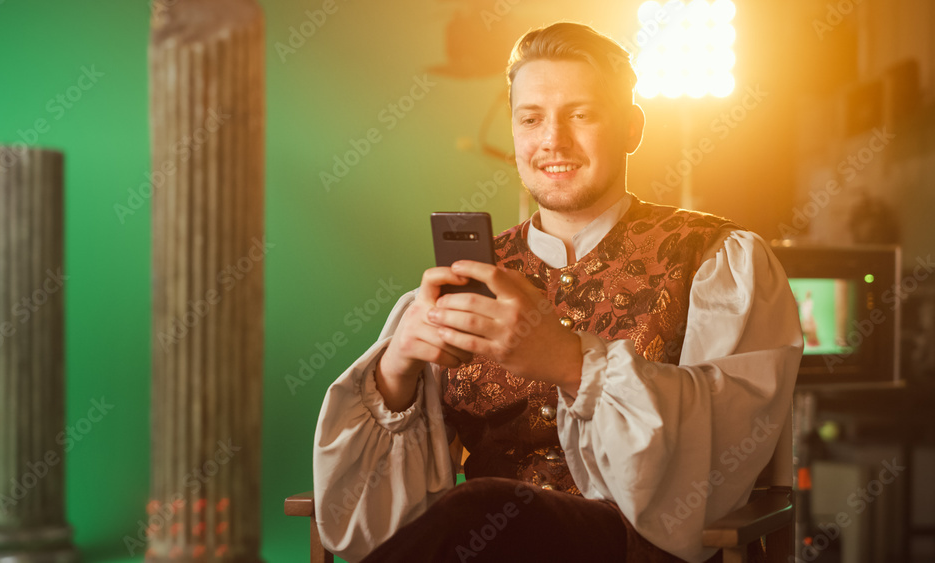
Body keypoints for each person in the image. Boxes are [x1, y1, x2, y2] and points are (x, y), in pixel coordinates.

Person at [313, 22, 803, 563]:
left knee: (475, 510)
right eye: (531, 119)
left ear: (632, 129)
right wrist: (397, 374)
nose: (552, 141)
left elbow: (720, 454)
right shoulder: (473, 272)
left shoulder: (717, 259)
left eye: (580, 114)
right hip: (482, 547)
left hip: (636, 549)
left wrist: (572, 363)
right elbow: (370, 516)